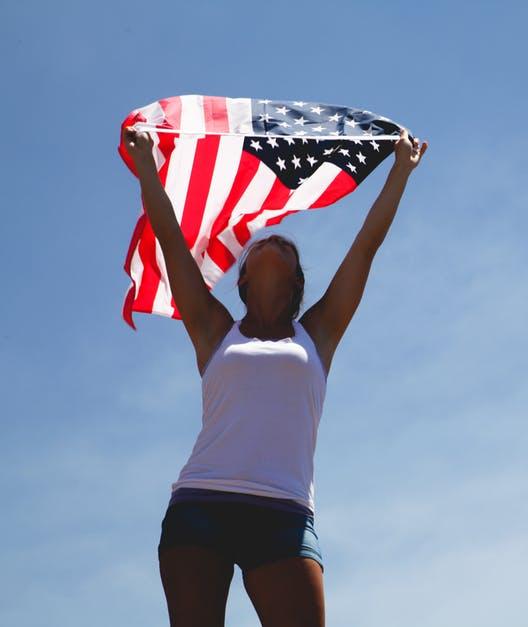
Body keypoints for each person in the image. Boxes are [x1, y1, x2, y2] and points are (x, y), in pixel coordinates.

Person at [121, 123, 428, 627]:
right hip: (202, 503)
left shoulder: (319, 333)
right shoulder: (215, 330)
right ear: (241, 277)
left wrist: (400, 170)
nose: (275, 241)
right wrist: (148, 170)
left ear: (297, 278)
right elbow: (175, 249)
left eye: (287, 246)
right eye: (263, 243)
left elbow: (366, 246)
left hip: (284, 514)